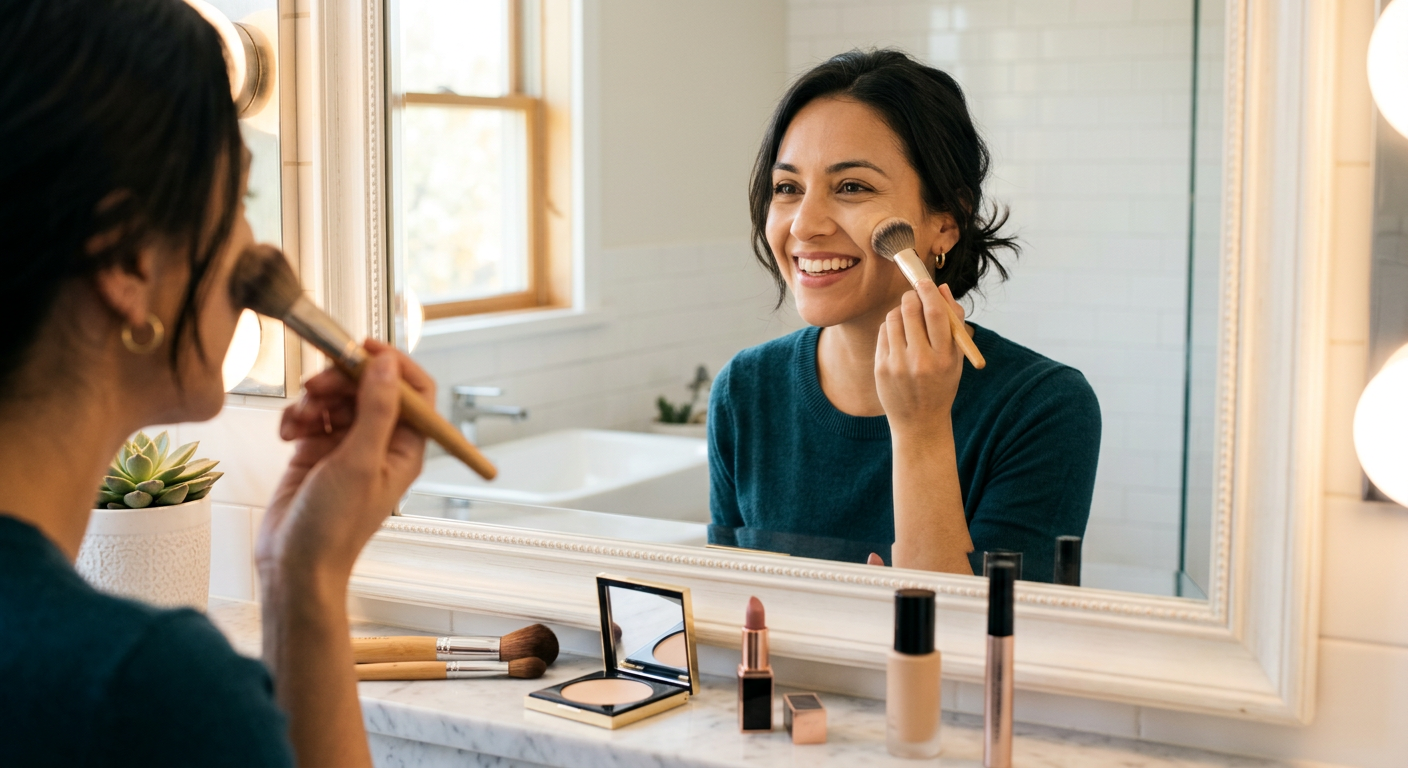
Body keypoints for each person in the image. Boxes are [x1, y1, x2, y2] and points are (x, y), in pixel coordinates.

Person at [0, 1, 427, 764]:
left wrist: (302, 573)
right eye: (234, 203)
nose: (252, 248)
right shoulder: (143, 689)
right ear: (129, 262)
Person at [708, 50, 1102, 580]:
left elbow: (981, 645)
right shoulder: (744, 391)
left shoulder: (1043, 407)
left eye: (852, 187)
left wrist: (921, 429)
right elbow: (731, 607)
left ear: (945, 222)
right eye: (787, 188)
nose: (804, 224)